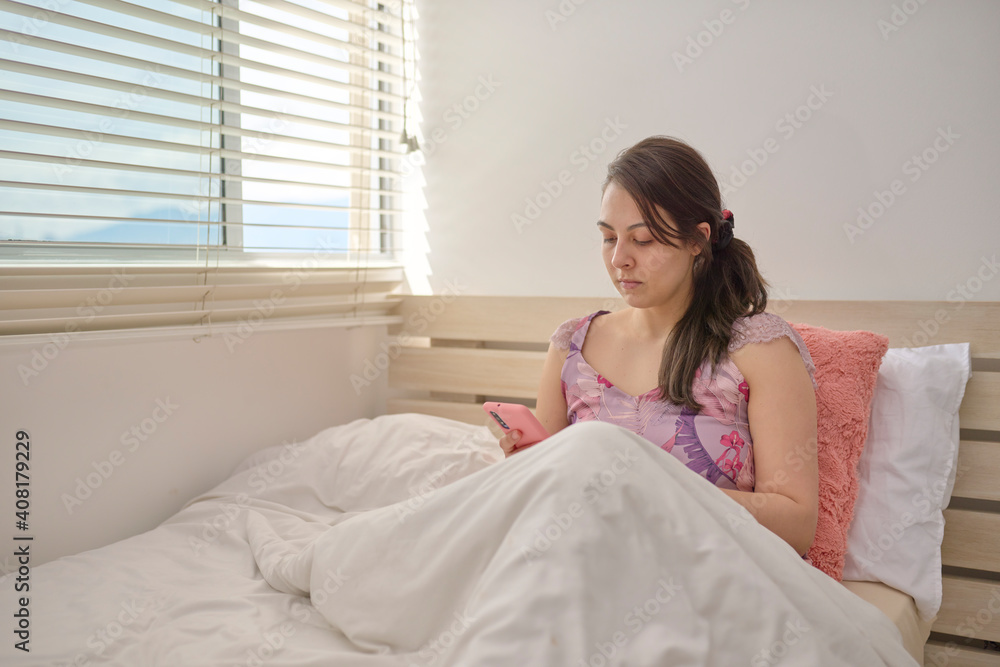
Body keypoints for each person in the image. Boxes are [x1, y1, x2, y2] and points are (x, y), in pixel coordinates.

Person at [498, 136, 819, 557]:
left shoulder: (759, 350)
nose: (619, 260)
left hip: (704, 577)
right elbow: (547, 501)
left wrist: (650, 489)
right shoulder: (571, 345)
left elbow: (796, 526)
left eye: (643, 240)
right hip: (577, 560)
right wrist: (524, 467)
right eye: (609, 238)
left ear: (697, 240)